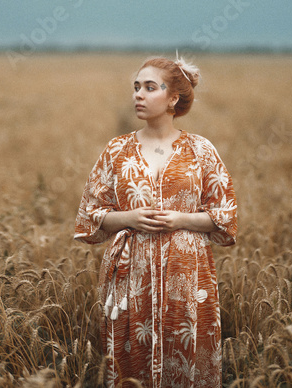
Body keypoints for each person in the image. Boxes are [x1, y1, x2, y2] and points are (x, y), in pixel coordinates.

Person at [74, 54, 237, 387]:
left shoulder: (201, 150)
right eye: (136, 87)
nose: (139, 95)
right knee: (131, 358)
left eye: (150, 87)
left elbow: (225, 215)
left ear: (173, 98)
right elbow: (90, 214)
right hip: (130, 274)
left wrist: (181, 219)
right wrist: (128, 218)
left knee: (186, 352)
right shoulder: (116, 150)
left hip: (187, 273)